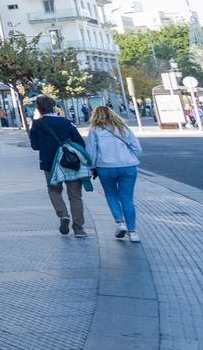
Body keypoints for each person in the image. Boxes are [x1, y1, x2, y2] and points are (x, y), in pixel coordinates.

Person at [27, 96, 88, 238]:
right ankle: (79, 228)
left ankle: (63, 215)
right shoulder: (66, 122)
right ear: (54, 106)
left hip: (50, 163)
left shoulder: (37, 125)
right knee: (75, 196)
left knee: (54, 190)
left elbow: (35, 146)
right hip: (71, 162)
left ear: (38, 109)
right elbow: (80, 142)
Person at [87, 106, 142, 243]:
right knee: (127, 198)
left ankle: (120, 223)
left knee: (111, 194)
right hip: (128, 166)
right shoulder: (123, 127)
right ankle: (133, 232)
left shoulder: (95, 130)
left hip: (106, 167)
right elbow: (137, 148)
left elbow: (91, 151)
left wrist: (92, 167)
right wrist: (129, 157)